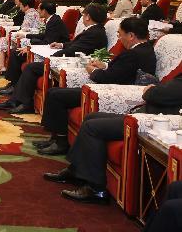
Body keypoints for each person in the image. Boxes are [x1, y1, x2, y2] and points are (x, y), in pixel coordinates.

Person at [43, 72, 182, 205]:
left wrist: (151, 90)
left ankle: (96, 189)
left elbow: (159, 93)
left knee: (93, 127)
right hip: (146, 117)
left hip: (153, 123)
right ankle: (77, 171)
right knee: (91, 117)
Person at [36, 17, 157, 155]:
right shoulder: (144, 50)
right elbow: (123, 70)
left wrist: (92, 70)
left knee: (56, 95)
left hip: (111, 92)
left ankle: (61, 142)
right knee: (55, 92)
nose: (119, 38)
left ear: (131, 36)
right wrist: (104, 65)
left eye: (120, 34)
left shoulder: (133, 54)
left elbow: (107, 77)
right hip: (112, 86)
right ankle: (55, 138)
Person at [0, 4, 108, 114]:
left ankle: (23, 102)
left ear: (88, 17)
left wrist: (53, 57)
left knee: (31, 67)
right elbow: (75, 45)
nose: (82, 18)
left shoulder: (94, 33)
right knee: (29, 64)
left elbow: (75, 50)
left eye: (83, 15)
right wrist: (62, 45)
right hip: (70, 58)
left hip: (73, 62)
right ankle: (17, 99)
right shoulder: (94, 30)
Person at [0, 1, 69, 95]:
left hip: (53, 52)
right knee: (15, 52)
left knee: (16, 53)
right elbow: (44, 36)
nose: (37, 11)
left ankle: (14, 86)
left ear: (44, 11)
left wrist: (30, 46)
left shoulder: (55, 21)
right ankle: (13, 84)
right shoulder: (52, 19)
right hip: (47, 48)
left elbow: (48, 42)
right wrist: (27, 36)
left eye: (39, 9)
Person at [0, 0, 40, 74]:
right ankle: (1, 65)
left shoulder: (30, 14)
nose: (19, 6)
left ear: (26, 6)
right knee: (4, 39)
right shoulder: (31, 12)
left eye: (21, 4)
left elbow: (25, 30)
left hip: (30, 37)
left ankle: (1, 65)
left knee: (3, 39)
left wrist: (13, 34)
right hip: (28, 35)